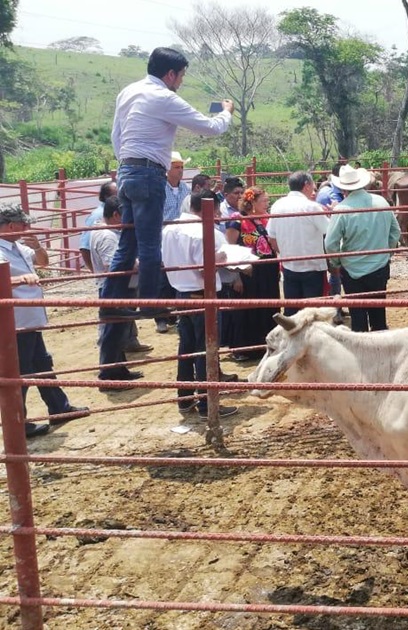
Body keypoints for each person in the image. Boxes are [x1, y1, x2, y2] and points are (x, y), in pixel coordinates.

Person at [103, 47, 233, 322]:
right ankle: (151, 303)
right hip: (148, 174)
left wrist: (126, 165)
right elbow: (209, 127)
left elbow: (116, 135)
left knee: (128, 243)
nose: (182, 81)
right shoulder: (164, 97)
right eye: (182, 75)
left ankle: (110, 300)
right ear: (171, 74)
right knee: (150, 243)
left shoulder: (127, 92)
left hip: (125, 170)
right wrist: (226, 113)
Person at [0, 202, 90, 437]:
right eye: (22, 223)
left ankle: (58, 408)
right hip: (16, 321)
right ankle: (18, 422)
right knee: (23, 372)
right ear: (11, 226)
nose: (27, 226)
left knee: (41, 364)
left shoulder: (15, 246)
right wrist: (20, 280)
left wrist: (38, 247)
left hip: (28, 318)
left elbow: (43, 262)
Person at [161, 190, 239, 418]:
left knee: (186, 347)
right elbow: (205, 268)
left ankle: (185, 399)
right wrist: (223, 260)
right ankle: (207, 404)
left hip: (181, 293)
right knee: (206, 349)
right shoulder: (206, 232)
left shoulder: (169, 229)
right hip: (202, 294)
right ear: (212, 208)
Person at [325, 166, 401, 332]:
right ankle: (380, 349)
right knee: (379, 314)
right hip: (379, 266)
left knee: (357, 316)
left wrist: (337, 263)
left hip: (352, 269)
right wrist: (386, 252)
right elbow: (396, 232)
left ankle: (362, 353)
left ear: (342, 187)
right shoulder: (382, 202)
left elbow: (330, 243)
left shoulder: (342, 209)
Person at [92, 197, 148, 390]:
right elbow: (111, 265)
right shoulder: (107, 235)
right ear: (116, 215)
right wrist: (141, 264)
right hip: (116, 289)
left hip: (119, 287)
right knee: (113, 333)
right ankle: (108, 376)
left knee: (118, 332)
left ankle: (119, 371)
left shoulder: (109, 232)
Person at [221, 186, 280, 361]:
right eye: (263, 201)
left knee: (267, 307)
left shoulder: (266, 219)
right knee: (246, 309)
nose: (267, 203)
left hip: (267, 270)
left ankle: (264, 345)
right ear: (252, 202)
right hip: (247, 272)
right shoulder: (237, 220)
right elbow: (230, 248)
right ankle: (243, 348)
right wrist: (235, 276)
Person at [267, 171, 330, 317]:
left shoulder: (277, 205)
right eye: (313, 184)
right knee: (313, 311)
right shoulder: (311, 207)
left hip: (289, 266)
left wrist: (283, 253)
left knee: (292, 310)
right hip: (312, 267)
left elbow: (272, 237)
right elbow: (328, 230)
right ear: (306, 185)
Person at [155, 151, 191, 334]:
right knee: (163, 279)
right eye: (177, 167)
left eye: (181, 167)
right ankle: (161, 316)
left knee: (179, 275)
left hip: (181, 238)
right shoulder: (160, 188)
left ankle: (174, 314)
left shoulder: (186, 189)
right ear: (167, 169)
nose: (180, 171)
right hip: (164, 238)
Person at [79, 180, 117, 272]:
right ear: (107, 197)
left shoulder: (117, 212)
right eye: (117, 193)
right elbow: (85, 248)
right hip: (107, 272)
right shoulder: (98, 215)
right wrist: (95, 272)